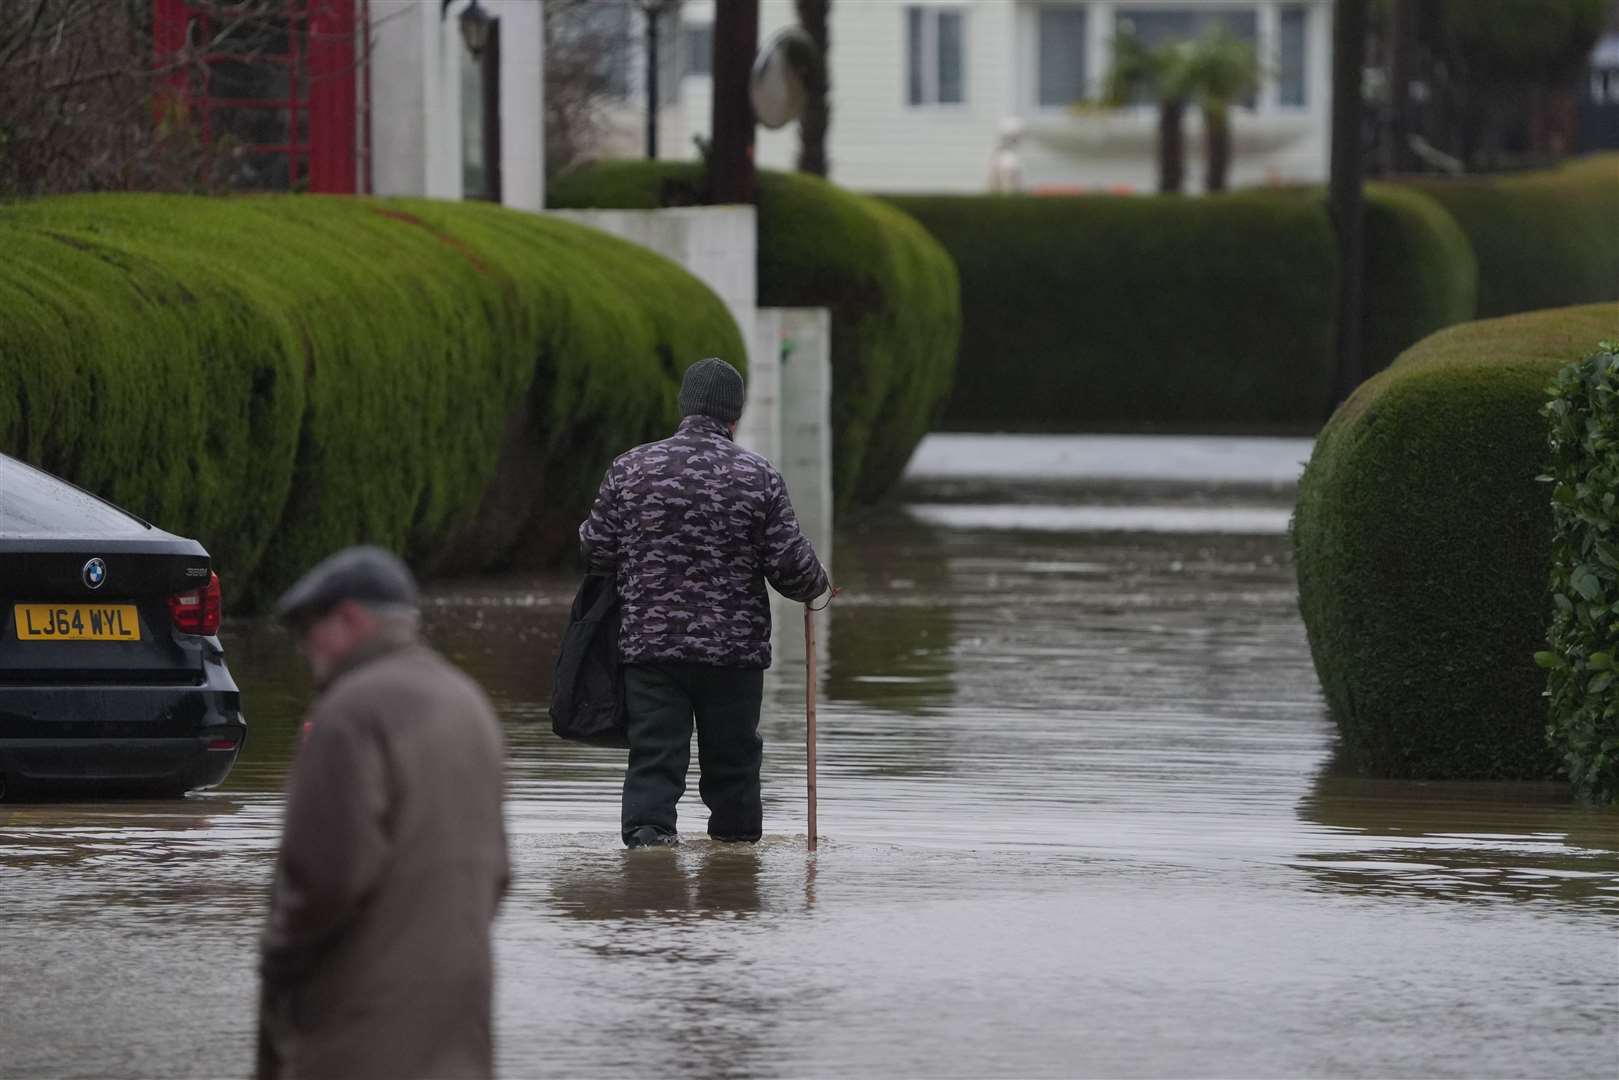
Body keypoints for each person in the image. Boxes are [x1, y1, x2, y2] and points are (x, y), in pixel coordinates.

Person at [257, 546, 510, 1080]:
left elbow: (322, 881)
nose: (306, 650)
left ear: (348, 618)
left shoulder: (349, 712)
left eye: (308, 631)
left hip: (359, 1032)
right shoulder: (468, 701)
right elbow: (498, 874)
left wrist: (276, 968)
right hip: (460, 1022)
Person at [580, 357, 830, 848]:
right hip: (733, 657)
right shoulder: (759, 477)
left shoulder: (630, 468)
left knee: (654, 759)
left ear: (684, 406)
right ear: (735, 414)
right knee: (734, 765)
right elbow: (792, 570)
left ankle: (648, 865)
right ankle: (735, 882)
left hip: (650, 652)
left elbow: (595, 549)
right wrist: (818, 583)